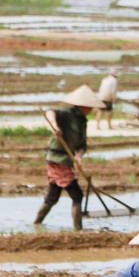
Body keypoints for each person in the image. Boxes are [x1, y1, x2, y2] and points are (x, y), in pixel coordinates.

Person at [36, 84, 103, 230]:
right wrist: (55, 126)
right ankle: (78, 230)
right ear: (82, 105)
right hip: (57, 159)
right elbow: (50, 112)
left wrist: (79, 156)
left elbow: (82, 145)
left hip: (67, 160)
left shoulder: (83, 121)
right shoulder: (67, 114)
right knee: (77, 195)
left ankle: (37, 224)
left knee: (53, 196)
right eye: (90, 106)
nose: (92, 109)